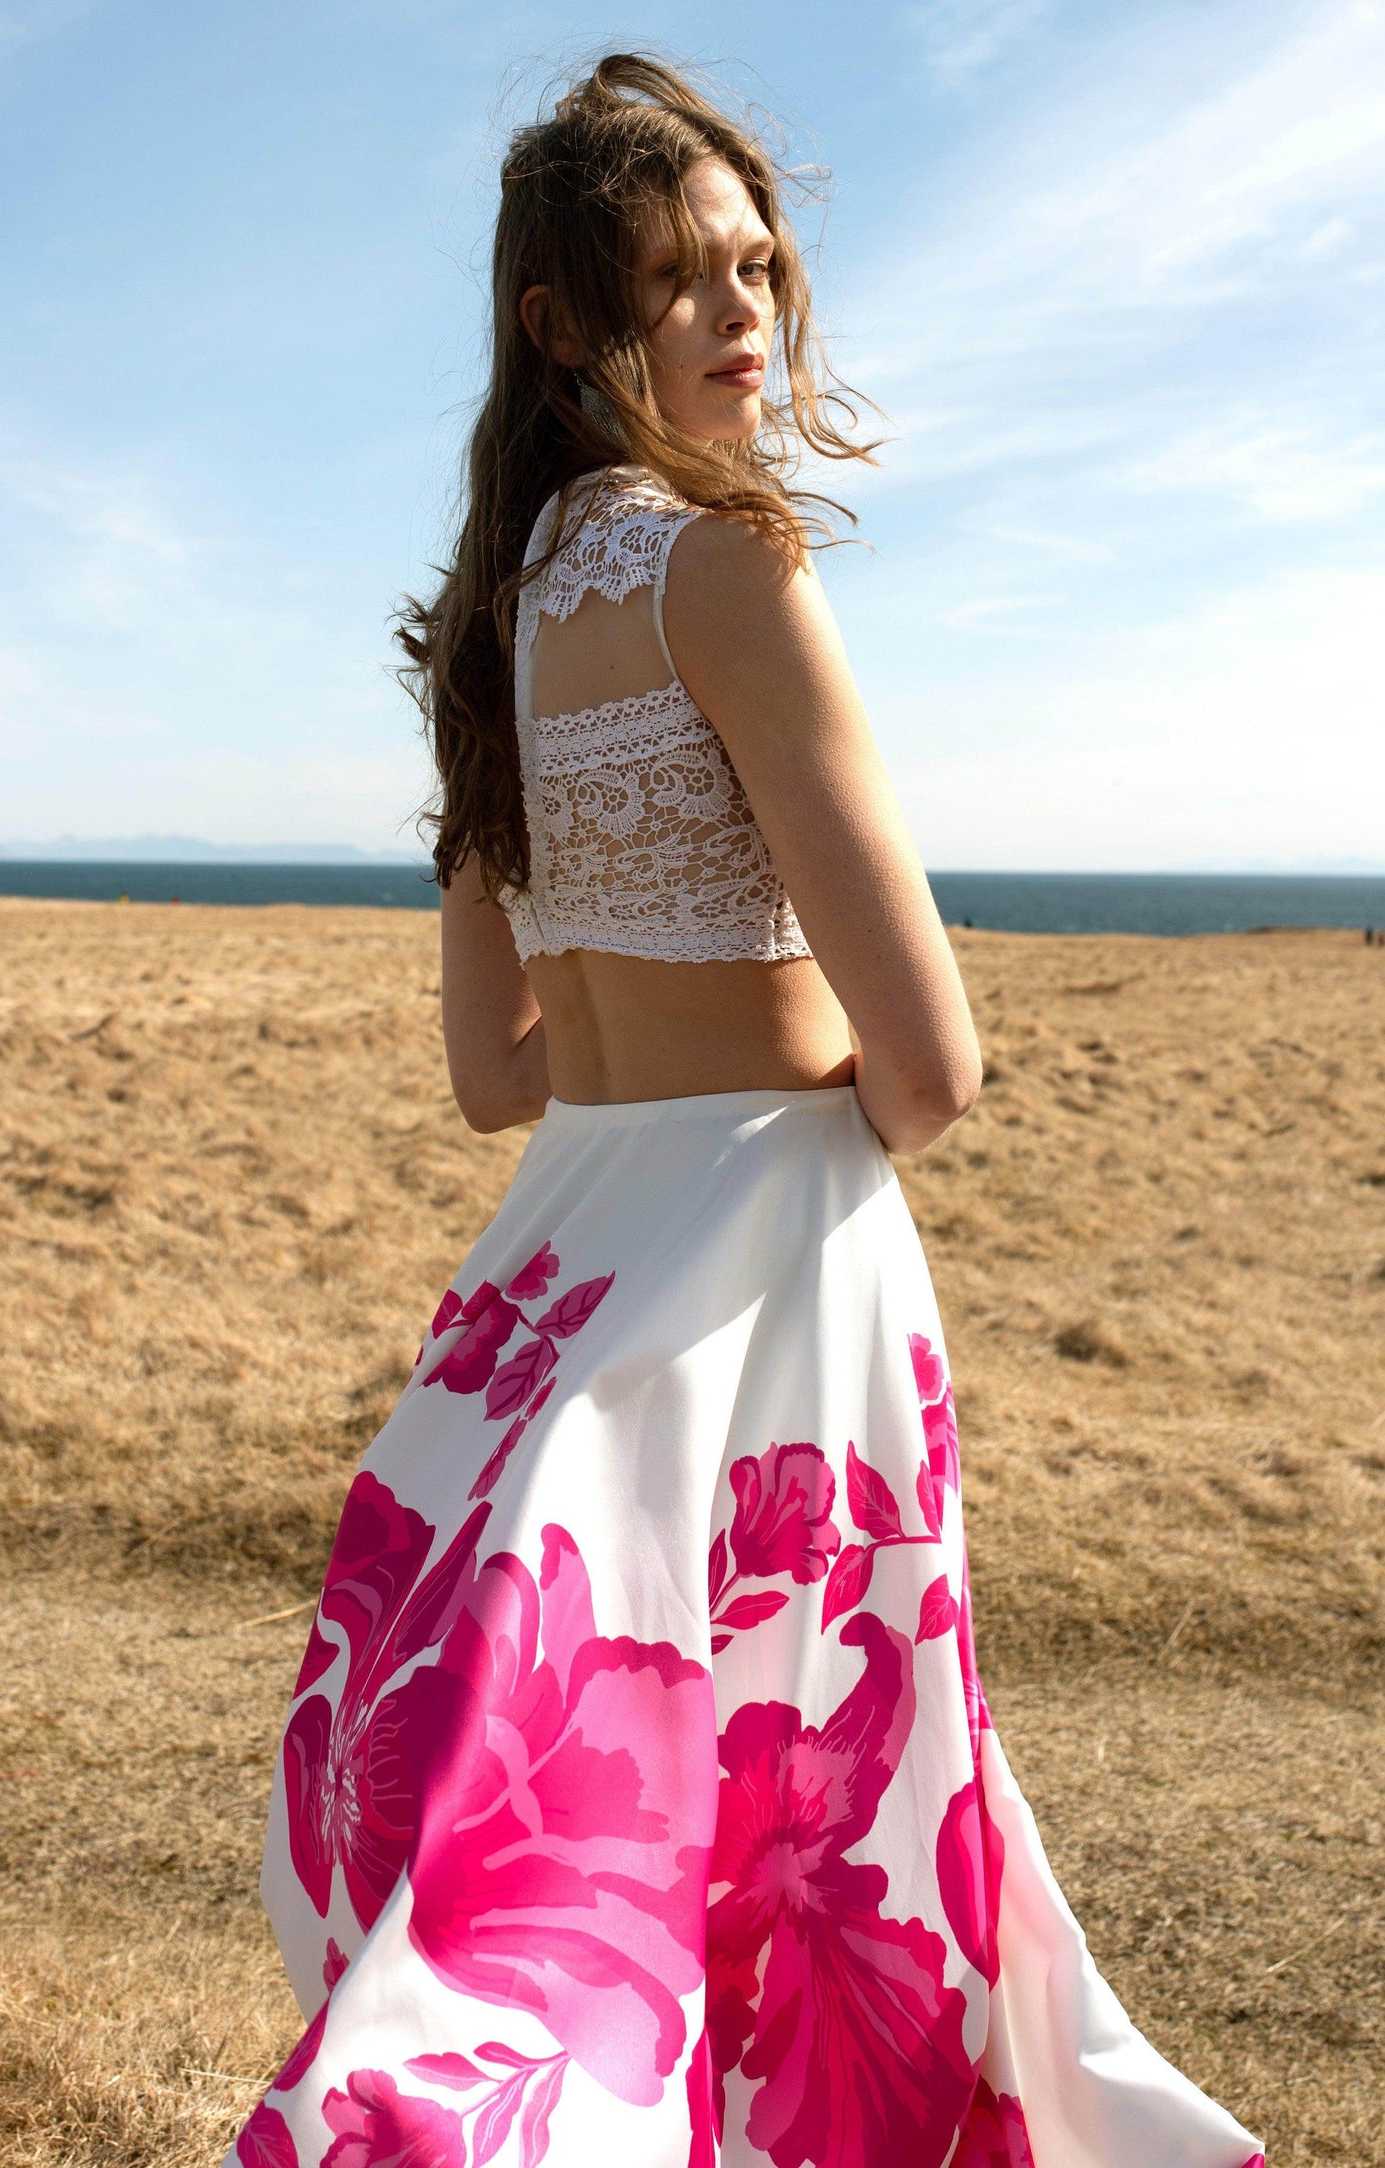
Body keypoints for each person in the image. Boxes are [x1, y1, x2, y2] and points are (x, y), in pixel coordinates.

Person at [225, 55, 1264, 2168]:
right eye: (679, 274)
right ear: (563, 320)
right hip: (771, 1272)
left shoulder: (490, 624)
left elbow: (493, 1073)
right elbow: (933, 1066)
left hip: (559, 1262)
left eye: (756, 265)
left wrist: (663, 1028)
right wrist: (786, 1067)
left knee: (593, 1841)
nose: (740, 311)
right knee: (819, 1825)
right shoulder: (731, 566)